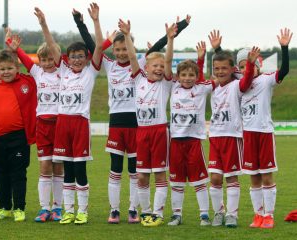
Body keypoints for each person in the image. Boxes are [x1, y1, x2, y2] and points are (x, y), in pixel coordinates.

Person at [72, 8, 190, 224]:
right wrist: (88, 22)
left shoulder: (141, 66)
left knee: (136, 171)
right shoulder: (108, 65)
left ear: (130, 48)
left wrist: (179, 27)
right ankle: (115, 210)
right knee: (115, 169)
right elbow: (95, 45)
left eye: (124, 49)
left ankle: (134, 209)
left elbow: (161, 46)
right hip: (117, 123)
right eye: (117, 50)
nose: (121, 53)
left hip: (138, 124)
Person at [5, 7, 64, 223]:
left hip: (60, 123)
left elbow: (54, 49)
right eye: (43, 60)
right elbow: (22, 57)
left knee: (58, 166)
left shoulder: (62, 71)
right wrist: (14, 49)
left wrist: (44, 25)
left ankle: (58, 208)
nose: (47, 63)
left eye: (50, 59)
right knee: (44, 165)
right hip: (43, 125)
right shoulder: (37, 71)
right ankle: (44, 208)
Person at [48, 3, 103, 225]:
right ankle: (68, 210)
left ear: (87, 58)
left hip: (80, 123)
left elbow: (99, 46)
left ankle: (82, 211)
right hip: (63, 123)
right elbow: (51, 45)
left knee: (80, 168)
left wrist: (94, 21)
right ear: (67, 59)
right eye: (73, 56)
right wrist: (43, 23)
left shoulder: (91, 71)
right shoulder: (63, 70)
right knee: (67, 169)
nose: (77, 59)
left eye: (81, 56)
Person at [118, 18, 177, 227]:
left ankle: (158, 213)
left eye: (162, 65)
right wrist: (126, 35)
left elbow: (169, 61)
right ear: (147, 66)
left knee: (160, 174)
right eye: (155, 65)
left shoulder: (166, 84)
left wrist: (170, 40)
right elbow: (133, 57)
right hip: (141, 132)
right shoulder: (139, 79)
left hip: (159, 131)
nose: (160, 68)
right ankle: (146, 213)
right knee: (141, 176)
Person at [237, 28, 292, 229]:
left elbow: (284, 71)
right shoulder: (239, 85)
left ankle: (269, 215)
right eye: (242, 66)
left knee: (267, 176)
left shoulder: (266, 79)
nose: (247, 68)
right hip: (248, 135)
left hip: (264, 134)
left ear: (259, 64)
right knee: (254, 177)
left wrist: (284, 48)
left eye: (250, 64)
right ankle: (258, 215)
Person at [206, 35, 260, 227]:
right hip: (215, 137)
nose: (220, 72)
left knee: (231, 177)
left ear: (232, 70)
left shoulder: (236, 85)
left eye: (224, 68)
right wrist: (215, 50)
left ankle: (232, 215)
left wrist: (251, 65)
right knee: (214, 178)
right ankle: (218, 212)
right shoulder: (212, 87)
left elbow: (246, 81)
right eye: (217, 69)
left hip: (232, 136)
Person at [0, 49, 37, 222]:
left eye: (10, 68)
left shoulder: (28, 81)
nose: (6, 72)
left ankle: (19, 208)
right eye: (2, 69)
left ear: (17, 67)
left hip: (19, 137)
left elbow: (41, 70)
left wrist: (17, 50)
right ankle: (5, 207)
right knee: (0, 172)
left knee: (18, 172)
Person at [168, 41, 215, 226]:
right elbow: (166, 68)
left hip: (194, 141)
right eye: (184, 75)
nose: (187, 78)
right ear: (178, 76)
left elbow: (206, 77)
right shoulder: (173, 87)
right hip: (176, 142)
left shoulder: (201, 89)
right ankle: (176, 215)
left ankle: (204, 215)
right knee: (177, 181)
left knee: (199, 180)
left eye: (191, 75)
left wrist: (201, 59)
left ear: (196, 76)